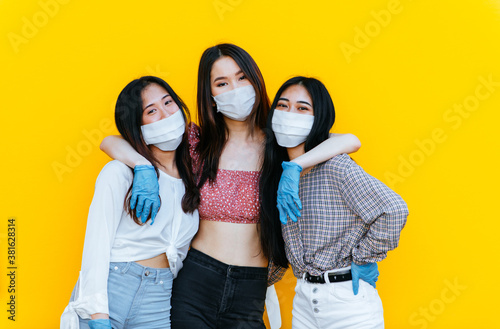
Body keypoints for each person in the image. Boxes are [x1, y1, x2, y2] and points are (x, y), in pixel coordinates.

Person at [100, 44, 361, 328]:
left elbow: (350, 140)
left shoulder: (280, 144)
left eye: (241, 78)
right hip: (196, 280)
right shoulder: (196, 143)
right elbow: (110, 141)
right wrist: (142, 167)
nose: (235, 89)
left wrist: (295, 166)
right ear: (211, 96)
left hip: (250, 288)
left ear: (255, 80)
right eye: (221, 83)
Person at [260, 76, 409, 329]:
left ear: (318, 118)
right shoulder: (278, 175)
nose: (289, 114)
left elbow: (393, 209)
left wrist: (362, 259)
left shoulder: (335, 166)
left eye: (302, 108)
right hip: (304, 300)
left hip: (347, 302)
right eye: (282, 106)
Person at [60, 76, 200, 329]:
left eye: (169, 103)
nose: (166, 115)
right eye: (151, 111)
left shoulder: (195, 174)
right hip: (113, 287)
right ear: (138, 127)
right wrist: (97, 312)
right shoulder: (120, 173)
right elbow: (97, 242)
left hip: (159, 298)